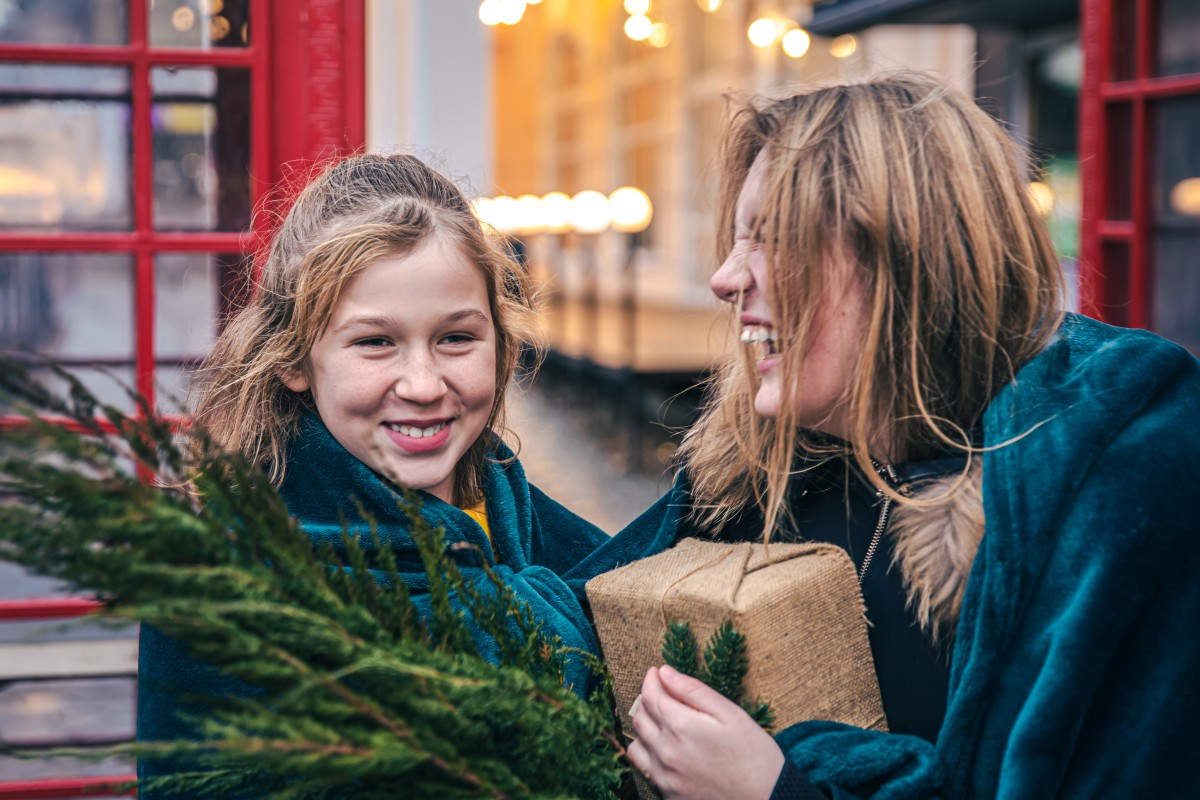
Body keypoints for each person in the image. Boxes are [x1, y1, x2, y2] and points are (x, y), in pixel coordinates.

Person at [566, 73, 1200, 798]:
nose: (723, 277)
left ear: (905, 258)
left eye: (770, 238)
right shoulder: (754, 480)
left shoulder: (1112, 501)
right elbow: (574, 608)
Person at [137, 153, 609, 787]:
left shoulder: (518, 514)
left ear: (501, 344)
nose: (422, 384)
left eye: (457, 338)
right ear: (294, 359)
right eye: (374, 342)